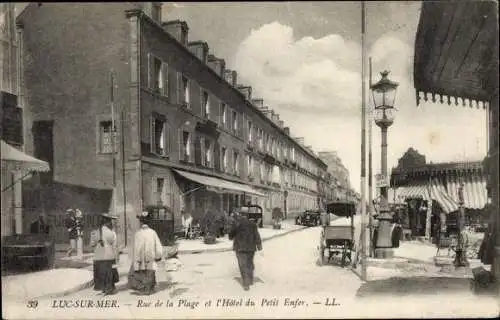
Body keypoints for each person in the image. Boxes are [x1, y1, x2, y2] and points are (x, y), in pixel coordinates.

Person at [128, 211, 163, 295]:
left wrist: (134, 258)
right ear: (149, 222)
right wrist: (158, 255)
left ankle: (143, 288)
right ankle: (149, 288)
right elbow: (157, 245)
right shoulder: (153, 233)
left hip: (140, 258)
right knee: (150, 272)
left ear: (141, 222)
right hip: (150, 256)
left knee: (141, 273)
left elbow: (134, 247)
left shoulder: (137, 234)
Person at [228, 211, 262, 291]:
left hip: (240, 248)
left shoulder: (237, 224)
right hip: (251, 248)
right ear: (247, 215)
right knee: (249, 263)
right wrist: (259, 245)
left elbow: (231, 235)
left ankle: (246, 283)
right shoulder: (252, 224)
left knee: (242, 265)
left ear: (240, 215)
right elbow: (256, 235)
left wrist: (231, 236)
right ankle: (250, 279)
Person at [92, 213, 119, 295]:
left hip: (98, 257)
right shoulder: (111, 233)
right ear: (108, 223)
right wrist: (117, 257)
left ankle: (103, 288)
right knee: (109, 273)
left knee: (101, 273)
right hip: (109, 256)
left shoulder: (96, 232)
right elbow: (114, 245)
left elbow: (92, 244)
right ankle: (109, 288)